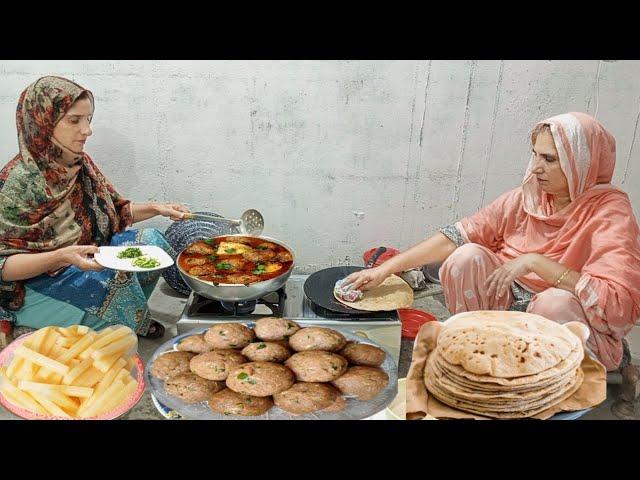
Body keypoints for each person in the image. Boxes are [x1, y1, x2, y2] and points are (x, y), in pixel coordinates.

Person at [344, 112, 640, 371]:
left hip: (564, 319)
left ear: (582, 164)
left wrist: (537, 263)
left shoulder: (610, 213)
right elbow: (457, 236)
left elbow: (618, 305)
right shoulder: (530, 198)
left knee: (553, 303)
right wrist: (384, 271)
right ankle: (483, 355)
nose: (535, 167)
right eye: (535, 154)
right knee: (466, 256)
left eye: (548, 159)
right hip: (507, 303)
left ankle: (543, 382)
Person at [0, 76, 190, 344]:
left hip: (79, 257)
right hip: (36, 284)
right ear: (42, 122)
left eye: (88, 119)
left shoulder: (77, 163)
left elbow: (113, 212)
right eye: (74, 120)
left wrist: (157, 208)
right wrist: (61, 256)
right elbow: (3, 265)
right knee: (115, 287)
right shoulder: (16, 184)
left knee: (152, 243)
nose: (87, 130)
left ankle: (120, 319)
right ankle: (33, 326)